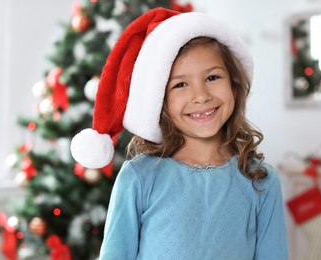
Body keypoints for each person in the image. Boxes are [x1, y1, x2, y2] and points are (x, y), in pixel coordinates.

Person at [71, 7, 288, 260]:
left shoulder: (261, 180)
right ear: (159, 101)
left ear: (235, 87)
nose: (201, 96)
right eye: (180, 84)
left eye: (213, 77)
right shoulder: (139, 179)